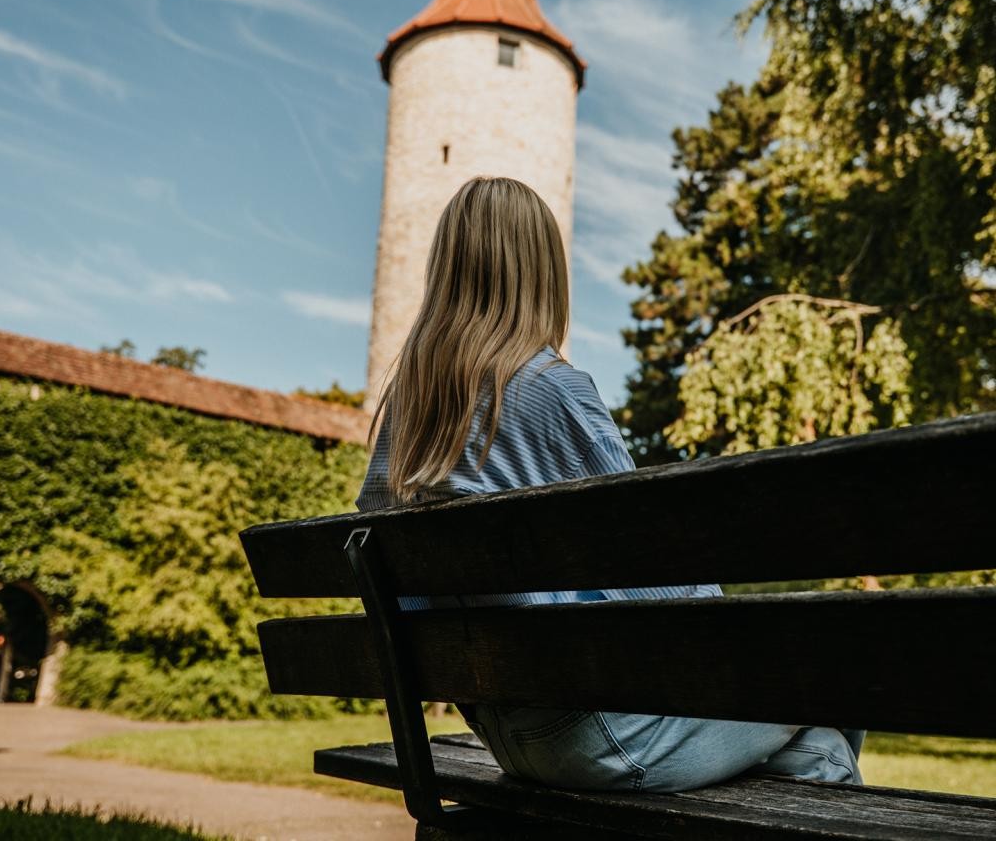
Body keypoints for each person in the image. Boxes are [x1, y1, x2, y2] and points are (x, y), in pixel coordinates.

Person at [356, 175, 864, 793]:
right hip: (606, 736)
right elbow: (659, 575)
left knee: (813, 746)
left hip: (508, 740)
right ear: (543, 274)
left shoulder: (403, 419)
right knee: (834, 672)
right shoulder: (553, 391)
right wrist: (734, 636)